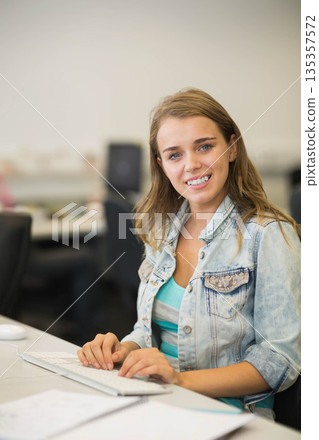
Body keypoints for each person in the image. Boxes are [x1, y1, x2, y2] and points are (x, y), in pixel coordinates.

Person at [78, 88, 301, 418]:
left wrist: (180, 379)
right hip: (157, 395)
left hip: (225, 411)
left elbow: (280, 360)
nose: (192, 164)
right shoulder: (163, 230)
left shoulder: (268, 234)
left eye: (205, 146)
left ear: (232, 147)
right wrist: (124, 350)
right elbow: (146, 330)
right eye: (174, 155)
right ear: (161, 165)